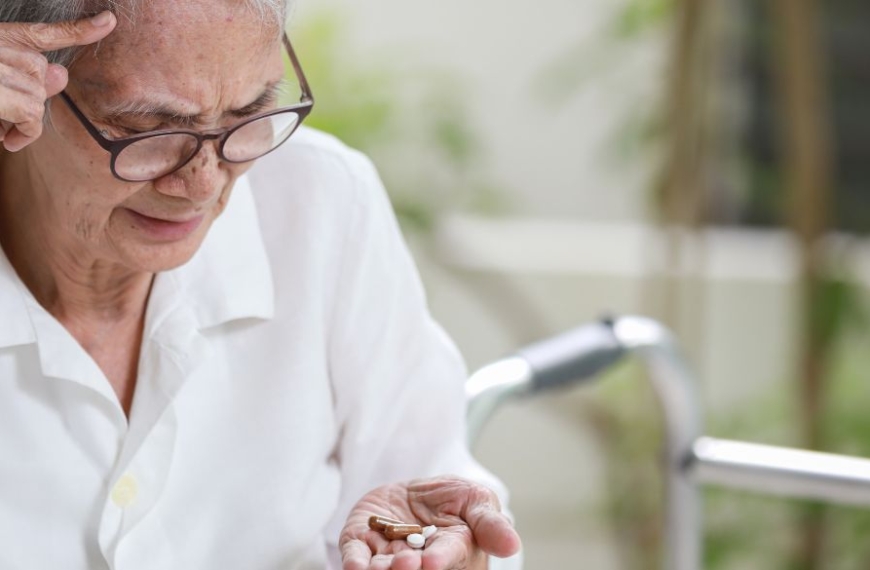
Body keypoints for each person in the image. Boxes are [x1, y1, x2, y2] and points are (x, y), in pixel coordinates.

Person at [0, 1, 522, 569]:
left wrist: (456, 551)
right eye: (146, 126)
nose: (200, 183)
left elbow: (428, 489)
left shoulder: (321, 202)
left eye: (250, 112)